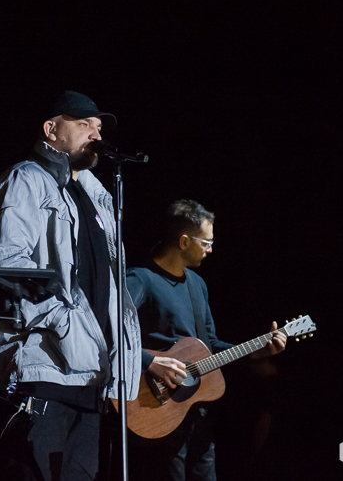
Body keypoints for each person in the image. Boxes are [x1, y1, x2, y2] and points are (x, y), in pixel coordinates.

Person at [0, 90, 142, 481]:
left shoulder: (97, 196)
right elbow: (8, 267)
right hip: (46, 367)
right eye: (84, 124)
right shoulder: (26, 179)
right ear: (51, 130)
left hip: (92, 378)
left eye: (99, 128)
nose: (96, 134)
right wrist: (67, 327)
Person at [126, 199, 286, 481]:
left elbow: (208, 346)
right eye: (206, 242)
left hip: (196, 413)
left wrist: (256, 351)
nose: (211, 249)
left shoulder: (197, 284)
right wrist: (150, 362)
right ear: (184, 241)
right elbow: (107, 331)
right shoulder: (142, 279)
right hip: (155, 409)